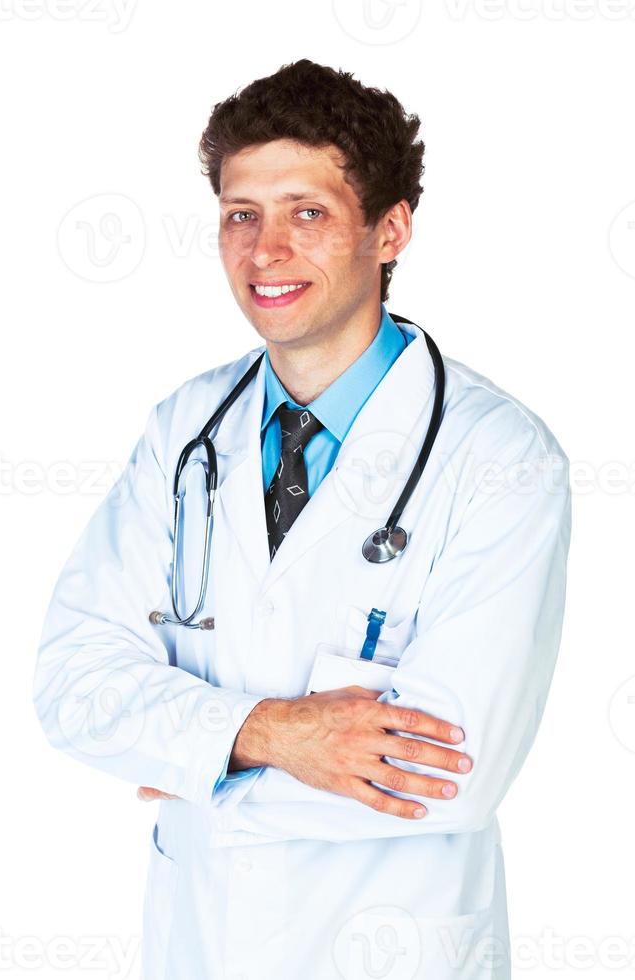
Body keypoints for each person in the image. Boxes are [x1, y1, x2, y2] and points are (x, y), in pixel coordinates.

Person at [33, 59, 572, 980]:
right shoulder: (184, 431)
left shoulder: (501, 457)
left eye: (307, 212)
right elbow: (72, 684)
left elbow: (450, 776)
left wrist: (197, 759)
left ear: (390, 229)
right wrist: (283, 737)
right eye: (242, 214)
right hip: (199, 941)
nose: (264, 250)